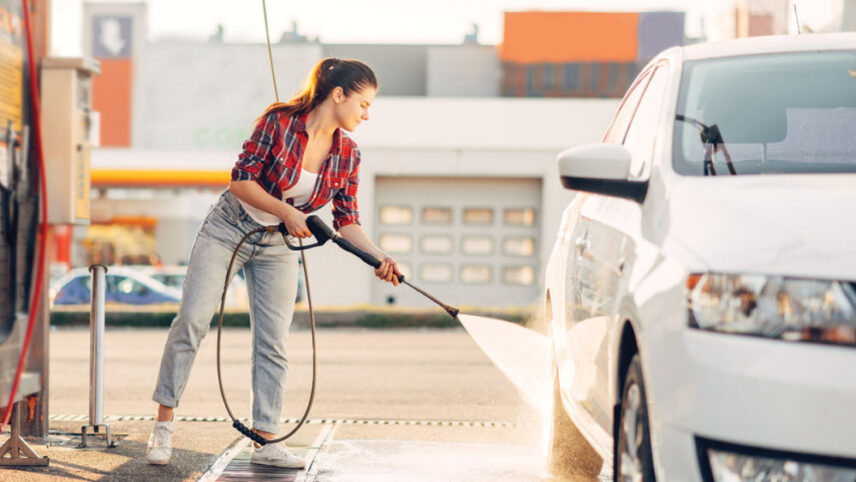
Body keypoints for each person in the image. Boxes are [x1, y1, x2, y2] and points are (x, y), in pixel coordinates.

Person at [146, 58, 400, 468]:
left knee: (273, 341)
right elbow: (241, 180)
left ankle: (265, 442)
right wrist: (286, 211)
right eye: (364, 104)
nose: (367, 114)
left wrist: (379, 256)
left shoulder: (348, 154)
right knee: (192, 321)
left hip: (278, 246)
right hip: (229, 228)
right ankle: (163, 425)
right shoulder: (279, 122)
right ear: (339, 95)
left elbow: (346, 220)